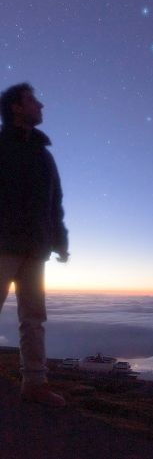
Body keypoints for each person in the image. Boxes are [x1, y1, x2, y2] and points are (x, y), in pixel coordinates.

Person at [0, 82, 69, 407]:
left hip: (35, 248)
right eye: (33, 101)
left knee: (33, 318)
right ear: (16, 107)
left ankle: (35, 384)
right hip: (2, 244)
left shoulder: (44, 157)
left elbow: (55, 203)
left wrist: (60, 241)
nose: (41, 106)